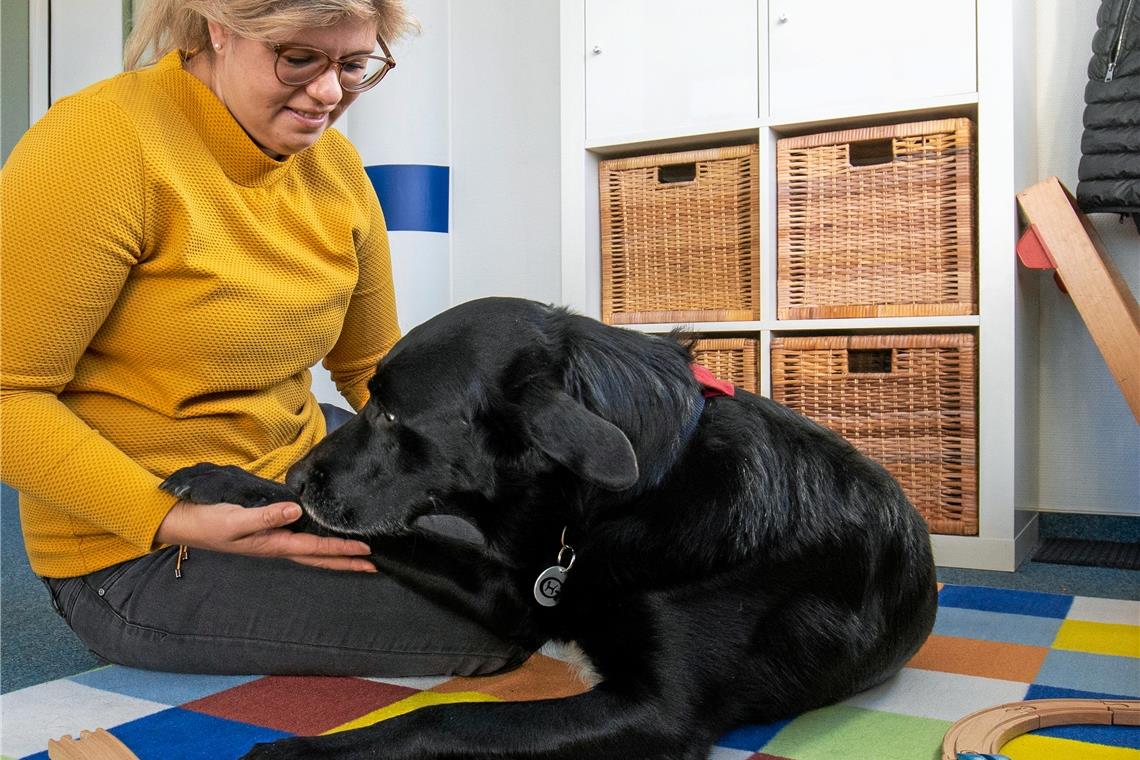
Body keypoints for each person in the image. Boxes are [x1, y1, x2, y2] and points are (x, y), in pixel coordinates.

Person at [0, 0, 527, 677]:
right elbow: (8, 395)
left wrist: (484, 470)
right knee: (502, 620)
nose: (330, 92)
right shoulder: (97, 146)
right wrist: (174, 519)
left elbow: (372, 365)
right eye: (299, 59)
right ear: (221, 28)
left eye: (353, 65)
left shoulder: (336, 170)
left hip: (300, 471)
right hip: (140, 546)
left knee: (532, 548)